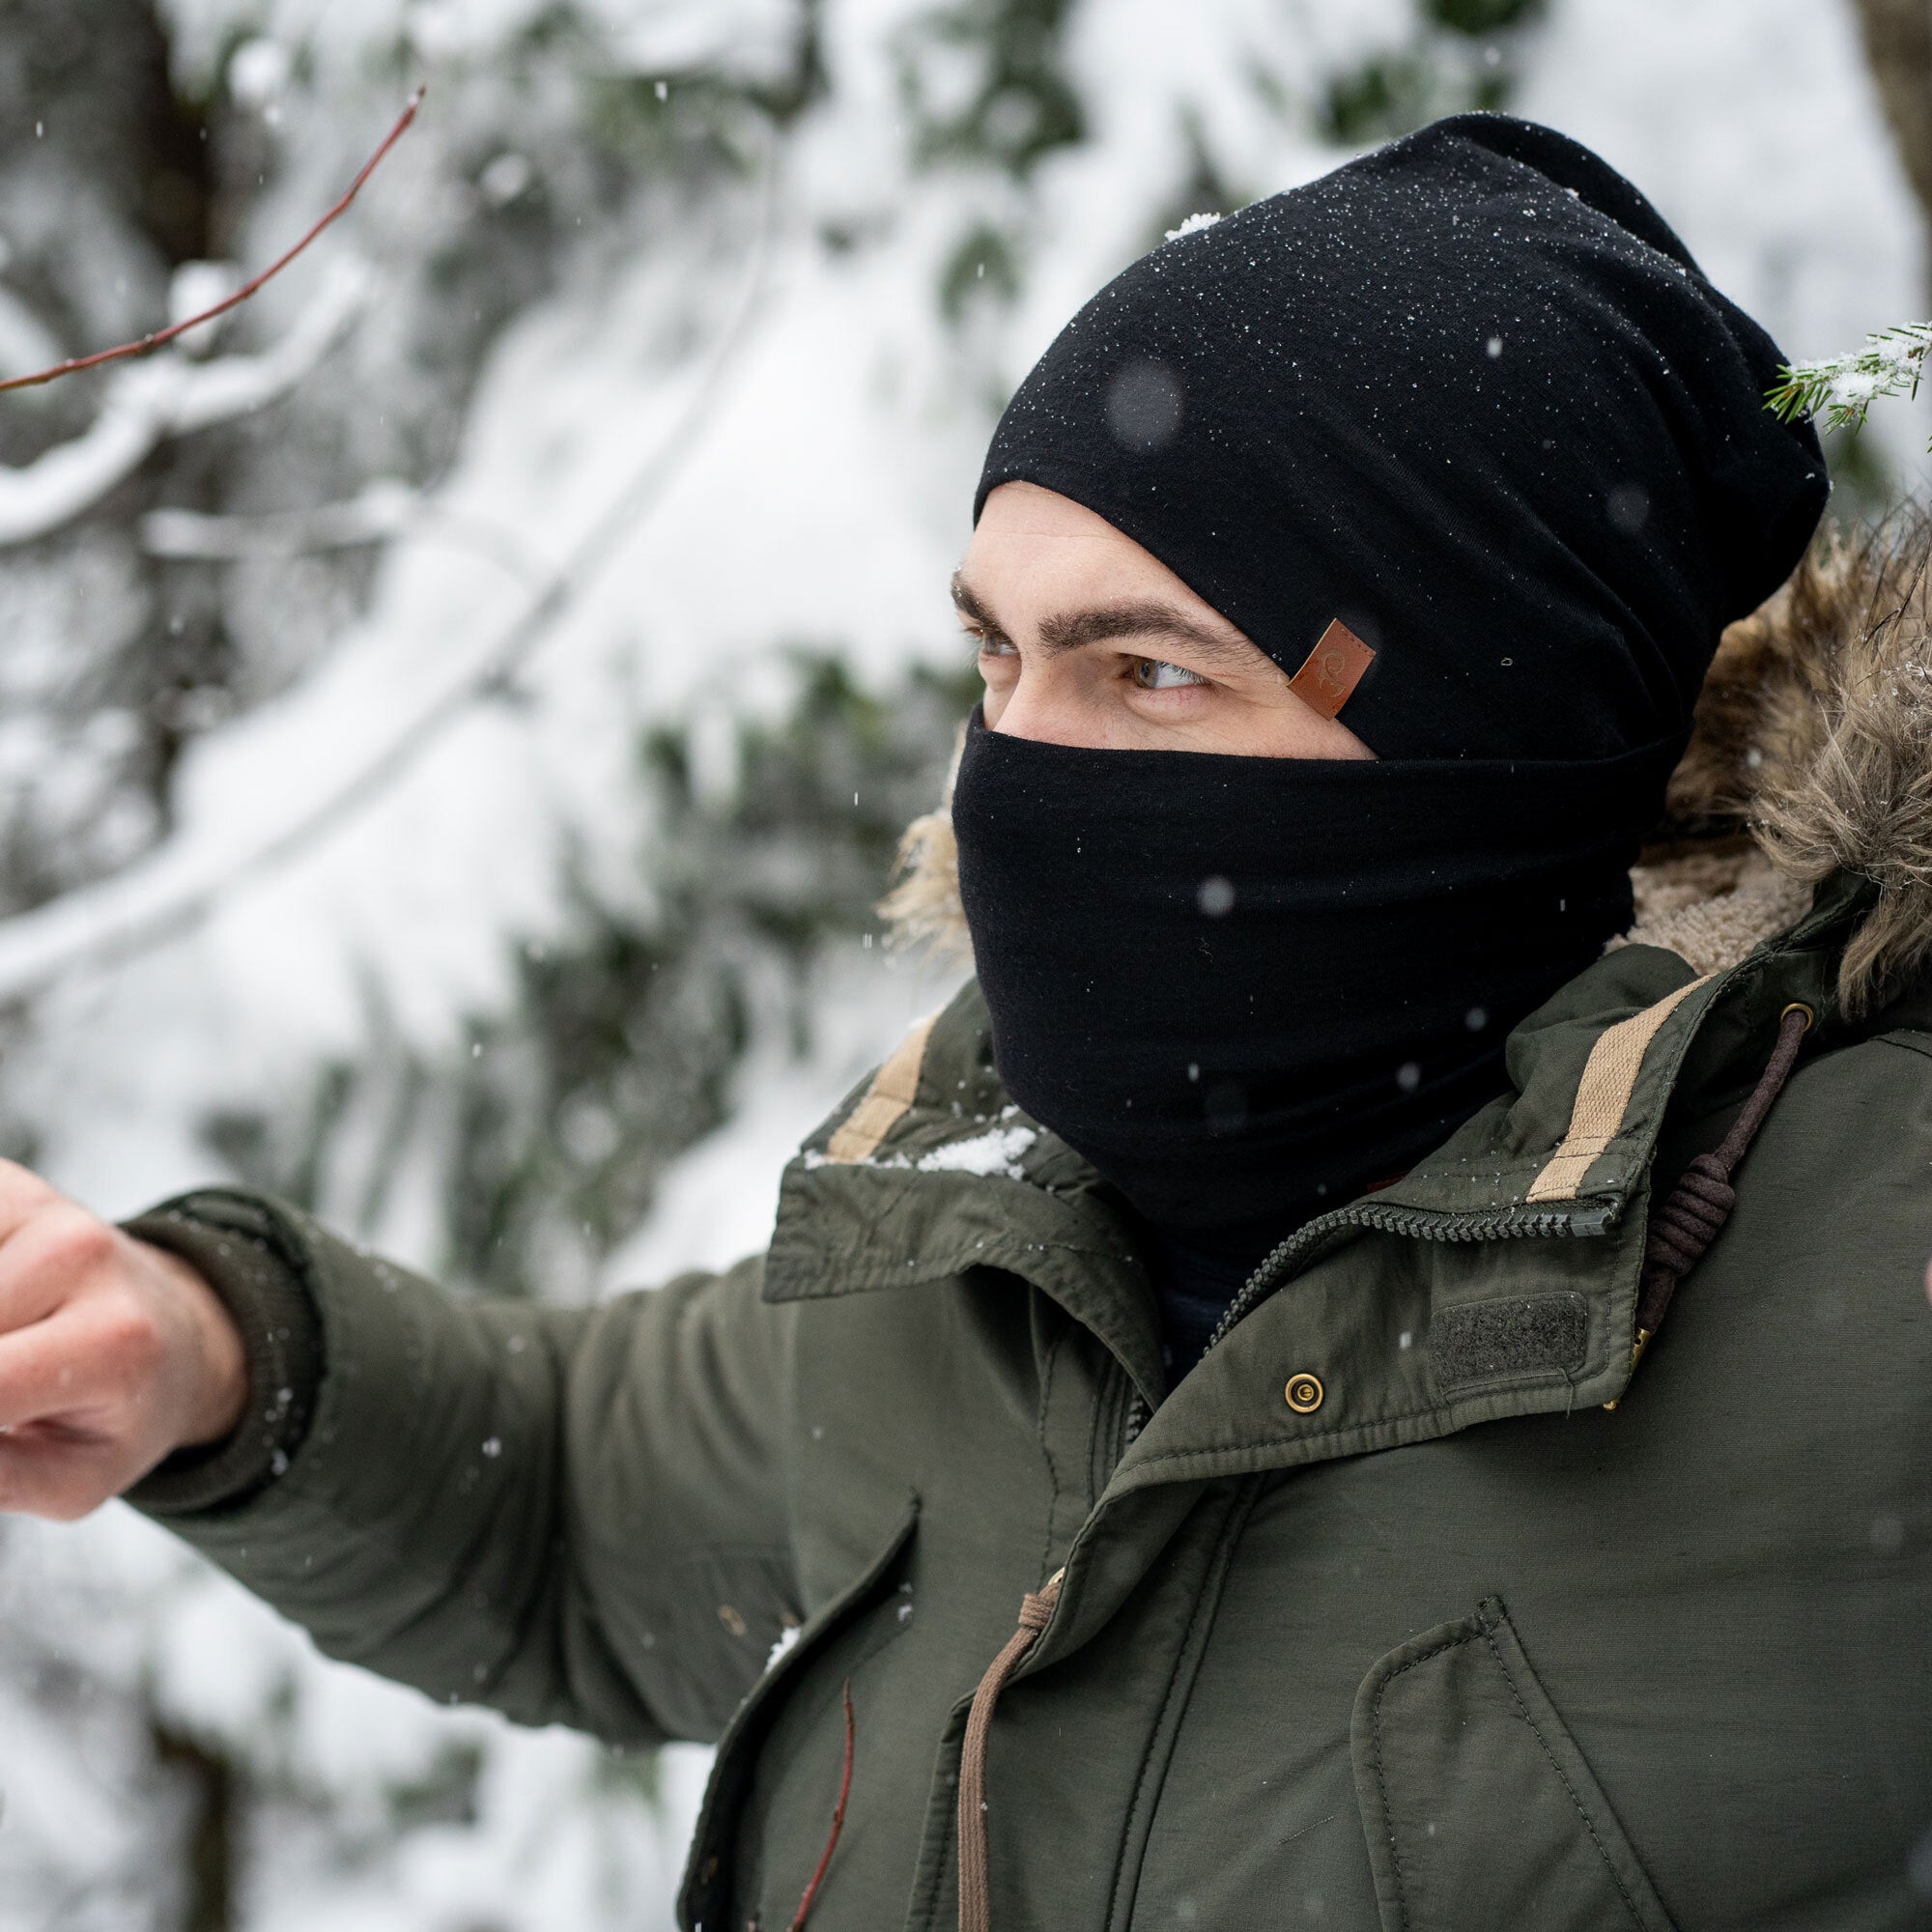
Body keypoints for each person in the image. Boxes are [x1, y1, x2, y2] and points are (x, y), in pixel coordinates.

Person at [2, 113, 1929, 1931]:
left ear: (1473, 730)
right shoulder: (987, 1215)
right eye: (996, 655)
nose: (1012, 776)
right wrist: (202, 1353)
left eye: (1148, 672)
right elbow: (572, 1497)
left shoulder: (1869, 1272)